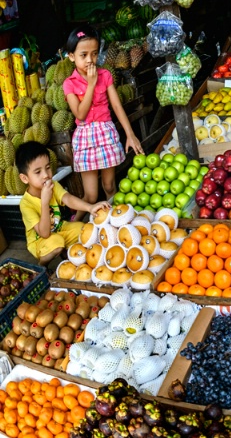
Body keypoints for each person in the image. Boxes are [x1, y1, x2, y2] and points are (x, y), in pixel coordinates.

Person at [62, 26, 143, 221]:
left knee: (109, 187)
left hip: (106, 133)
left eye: (94, 54)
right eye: (83, 55)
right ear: (72, 56)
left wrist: (130, 135)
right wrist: (90, 84)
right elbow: (80, 114)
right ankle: (74, 224)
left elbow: (116, 105)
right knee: (90, 195)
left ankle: (115, 222)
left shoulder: (105, 75)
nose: (90, 60)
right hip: (84, 138)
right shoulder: (69, 83)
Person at [17, 142, 110, 266]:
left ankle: (67, 252)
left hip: (59, 229)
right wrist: (44, 202)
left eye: (48, 168)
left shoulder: (53, 185)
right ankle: (42, 265)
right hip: (40, 241)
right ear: (24, 178)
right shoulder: (26, 204)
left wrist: (90, 207)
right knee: (56, 243)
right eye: (38, 172)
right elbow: (44, 233)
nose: (46, 175)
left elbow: (68, 199)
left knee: (82, 229)